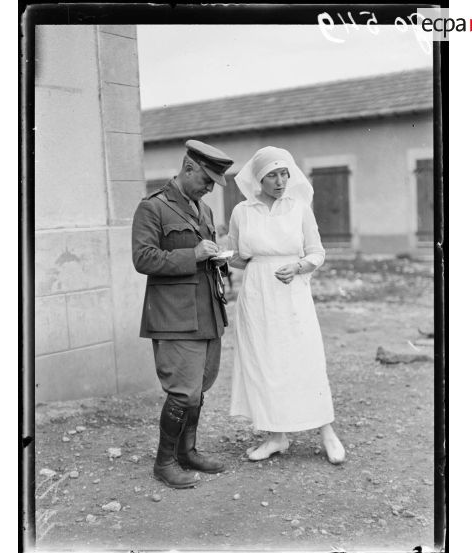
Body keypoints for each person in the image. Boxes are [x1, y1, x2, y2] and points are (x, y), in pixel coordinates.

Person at [227, 146, 346, 464]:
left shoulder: (299, 208)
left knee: (303, 358)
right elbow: (236, 256)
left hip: (292, 292)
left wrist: (298, 267)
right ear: (258, 179)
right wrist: (228, 256)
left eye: (284, 174)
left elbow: (317, 252)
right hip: (256, 295)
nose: (280, 181)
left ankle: (327, 432)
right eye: (272, 175)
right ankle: (276, 436)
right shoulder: (242, 212)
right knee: (265, 362)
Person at [132, 139, 234, 488]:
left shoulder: (203, 210)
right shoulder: (153, 208)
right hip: (174, 316)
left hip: (207, 313)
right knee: (182, 390)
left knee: (199, 387)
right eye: (206, 179)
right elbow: (143, 258)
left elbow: (205, 256)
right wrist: (193, 255)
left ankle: (187, 451)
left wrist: (218, 259)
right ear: (188, 168)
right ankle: (164, 463)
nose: (209, 188)